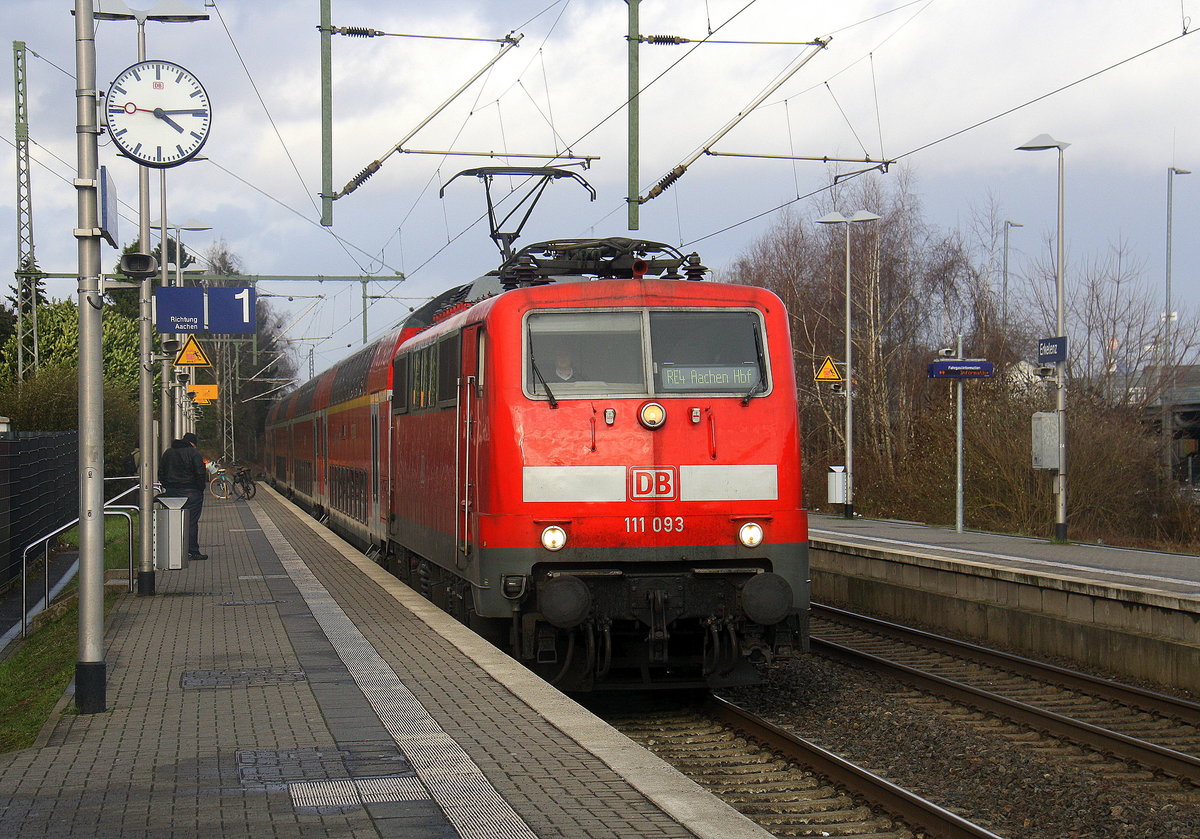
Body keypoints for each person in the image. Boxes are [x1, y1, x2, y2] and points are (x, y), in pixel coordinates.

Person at [159, 431, 208, 561]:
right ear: (193, 443)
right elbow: (200, 473)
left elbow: (161, 473)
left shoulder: (168, 453)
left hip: (172, 492)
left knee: (174, 521)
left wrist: (168, 486)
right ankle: (193, 551)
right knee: (191, 522)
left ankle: (173, 550)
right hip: (191, 492)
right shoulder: (194, 453)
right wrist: (200, 488)